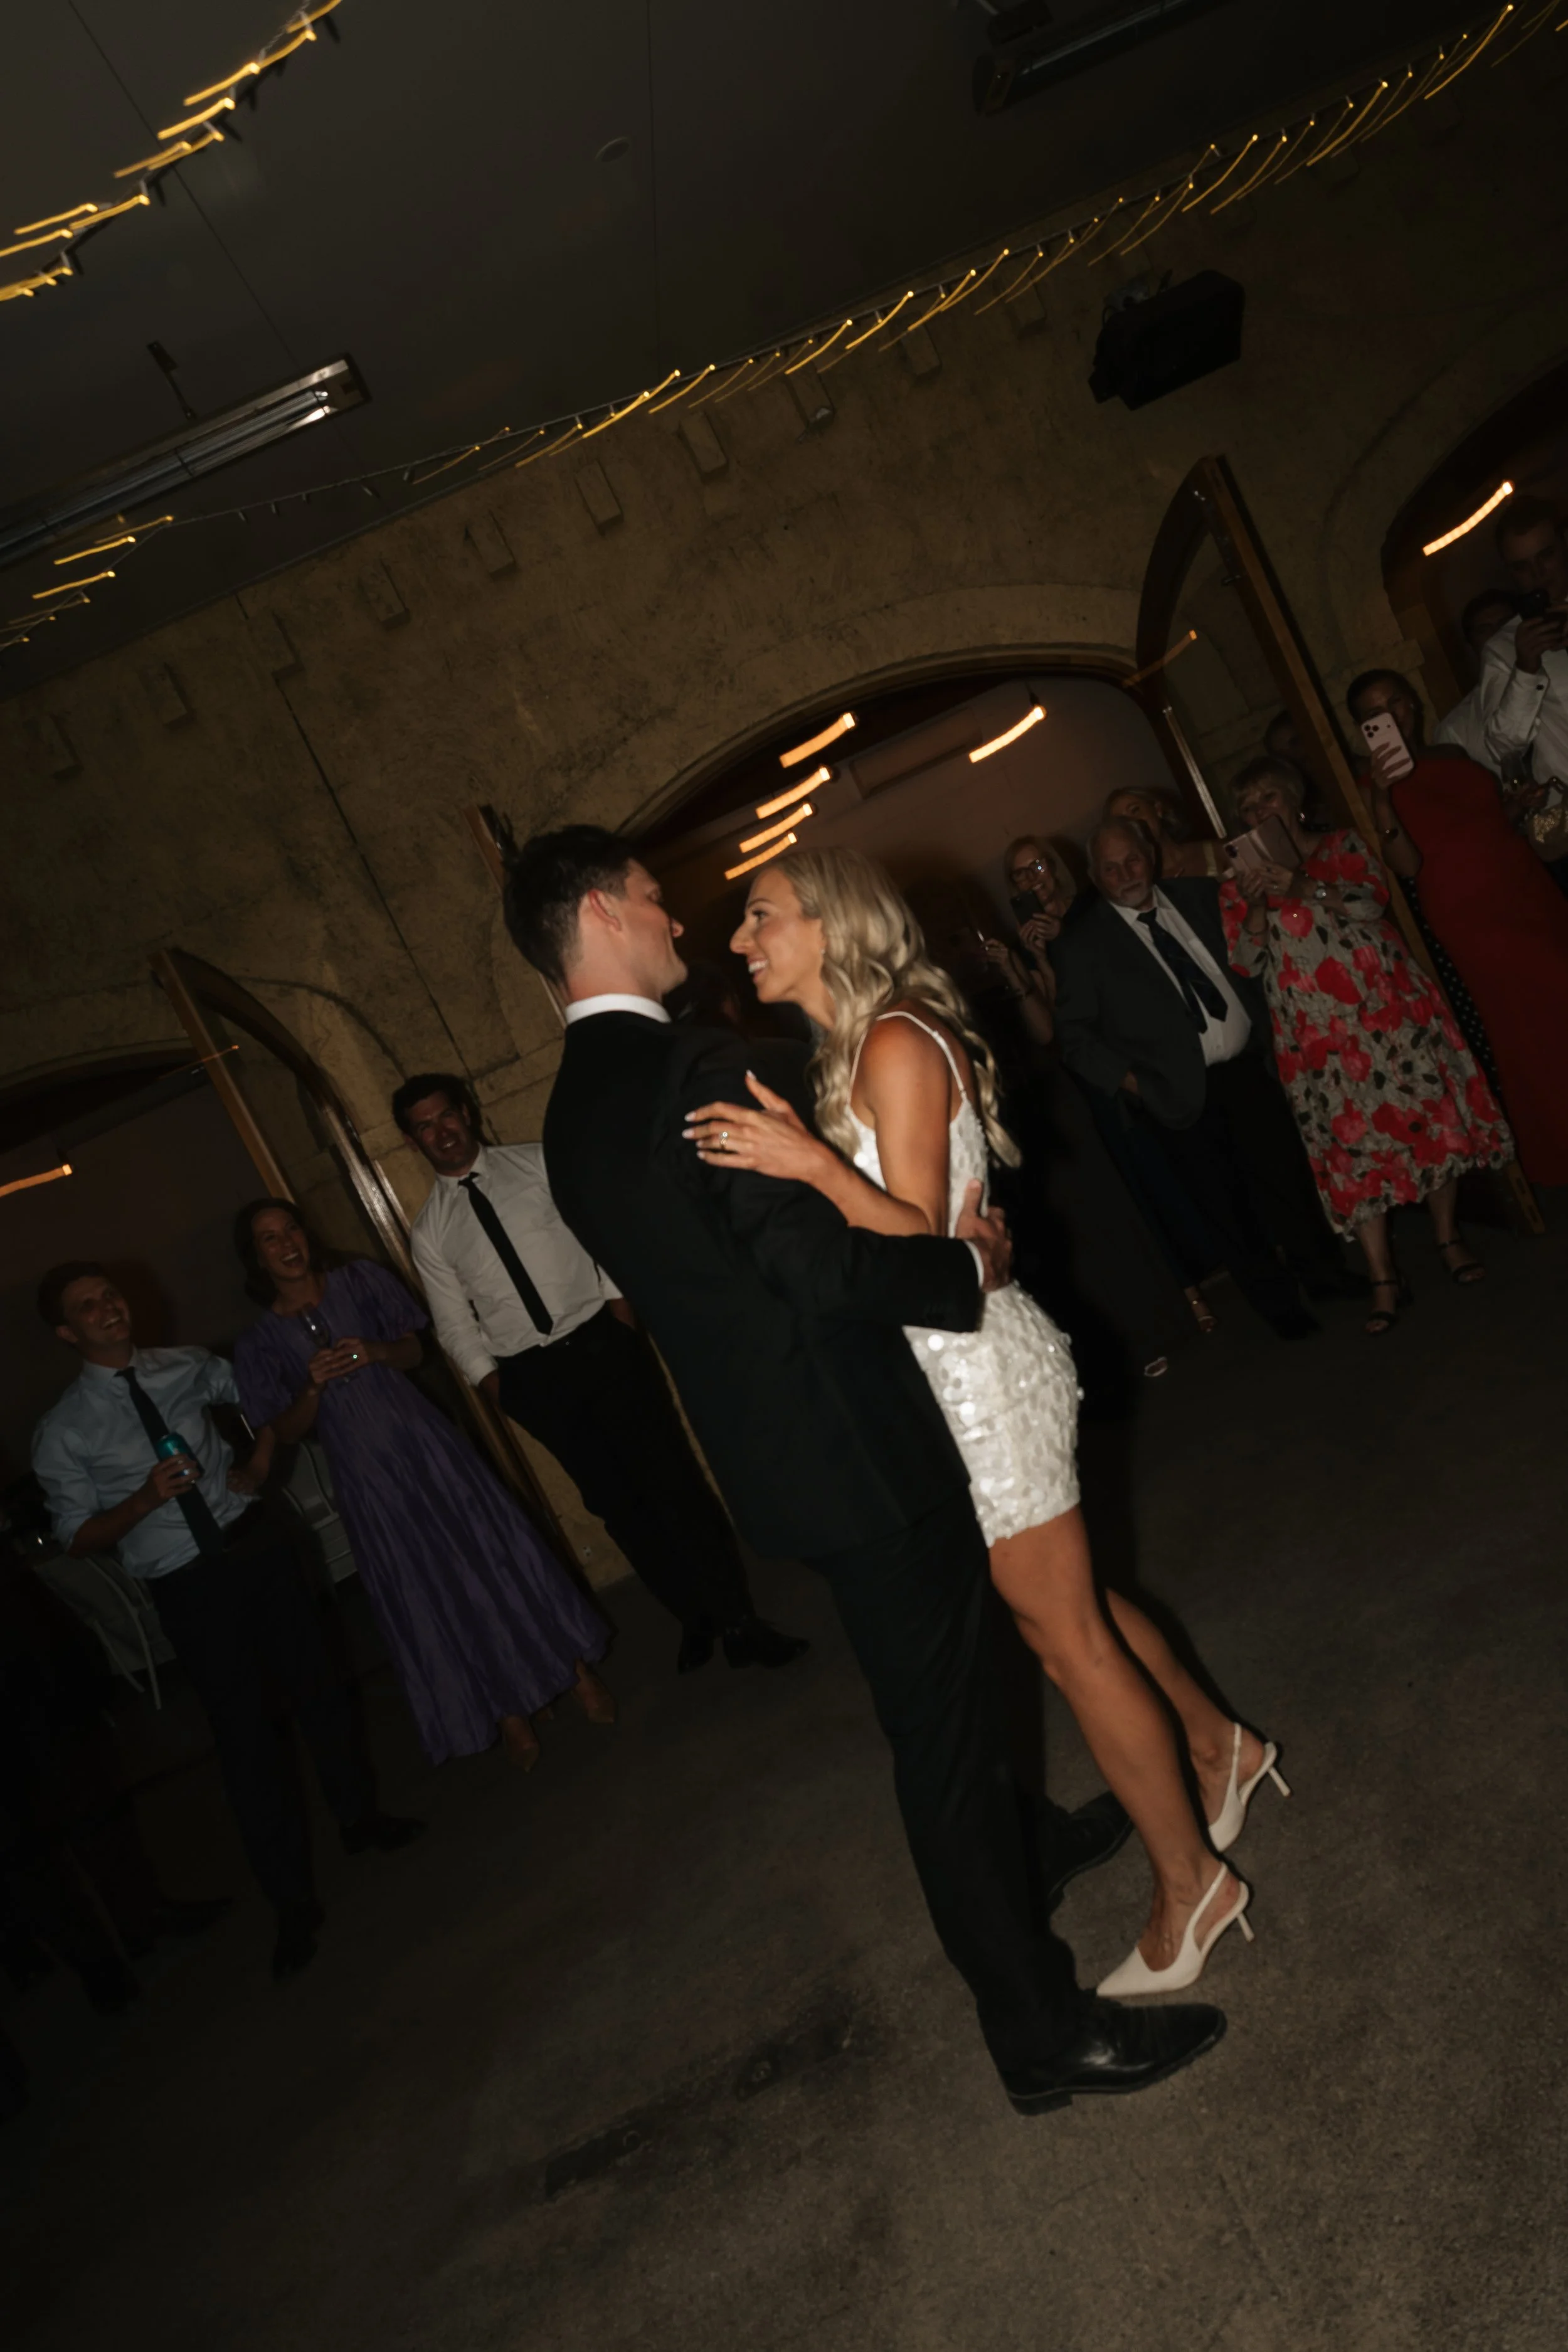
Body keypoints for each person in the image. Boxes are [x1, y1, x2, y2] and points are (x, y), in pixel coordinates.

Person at [504, 824, 1225, 2116]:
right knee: (944, 1741)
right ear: (607, 909)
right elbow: (814, 1269)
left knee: (1025, 1639)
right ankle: (1039, 2034)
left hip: (782, 1462)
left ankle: (1071, 1828)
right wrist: (970, 1267)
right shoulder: (694, 1068)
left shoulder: (565, 1116)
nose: (693, 927)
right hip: (866, 1448)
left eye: (746, 914)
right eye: (662, 902)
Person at [687, 843, 1281, 2000]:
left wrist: (809, 1164)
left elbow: (922, 1241)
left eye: (760, 916)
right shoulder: (852, 1045)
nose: (740, 942)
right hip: (945, 1374)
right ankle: (1223, 1744)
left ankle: (1191, 1885)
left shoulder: (901, 1038)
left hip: (979, 1378)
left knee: (1066, 1638)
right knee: (1069, 1603)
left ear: (831, 921)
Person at [29, 1265, 420, 1983]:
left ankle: (361, 1820)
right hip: (189, 1583)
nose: (108, 1308)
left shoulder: (186, 1366)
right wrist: (145, 1500)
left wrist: (262, 1456)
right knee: (245, 1743)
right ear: (67, 1331)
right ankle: (292, 1901)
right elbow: (78, 1536)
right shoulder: (62, 1430)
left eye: (110, 1295)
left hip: (254, 1543)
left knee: (320, 1689)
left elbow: (263, 1396)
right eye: (88, 1306)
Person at [397, 1074, 807, 1677]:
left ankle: (740, 1621)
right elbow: (454, 1323)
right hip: (533, 1379)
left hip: (601, 1344)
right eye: (425, 1127)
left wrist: (619, 1310)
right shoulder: (431, 1231)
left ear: (466, 1113)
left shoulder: (538, 1164)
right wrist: (496, 1385)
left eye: (446, 1116)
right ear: (414, 1142)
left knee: (672, 1482)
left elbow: (600, 1232)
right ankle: (694, 1618)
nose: (442, 1132)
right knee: (619, 1505)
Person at [233, 1202, 613, 1772]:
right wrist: (311, 1389)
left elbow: (415, 1350)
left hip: (428, 1448)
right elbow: (284, 1429)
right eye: (269, 1239)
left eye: (291, 1229)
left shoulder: (358, 1278)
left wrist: (376, 1351)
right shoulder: (259, 1343)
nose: (287, 1244)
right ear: (256, 1258)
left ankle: (574, 1673)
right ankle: (506, 1713)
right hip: (366, 1477)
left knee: (494, 1555)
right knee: (432, 1586)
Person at [1220, 757, 1512, 1332]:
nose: (1259, 813)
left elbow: (1372, 901)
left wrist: (1302, 885)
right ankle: (1383, 1276)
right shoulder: (1236, 886)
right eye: (1249, 807)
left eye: (1269, 799)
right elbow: (1246, 962)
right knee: (1352, 1153)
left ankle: (1449, 1240)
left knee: (1426, 1120)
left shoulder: (1341, 846)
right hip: (1317, 1038)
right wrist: (1257, 903)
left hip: (1385, 1012)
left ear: (1295, 801)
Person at [1052, 817, 1357, 1338]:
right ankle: (1279, 1307)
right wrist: (1135, 1085)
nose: (1126, 873)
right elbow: (1075, 1038)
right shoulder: (1084, 946)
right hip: (1174, 1095)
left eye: (1132, 859)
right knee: (1227, 1210)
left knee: (1287, 1180)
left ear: (1148, 853)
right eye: (1111, 867)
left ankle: (1326, 1276)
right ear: (1093, 875)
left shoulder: (1201, 895)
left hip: (1245, 1070)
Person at [1003, 832, 1227, 1342]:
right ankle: (1186, 1289)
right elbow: (1052, 1031)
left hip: (1147, 1051)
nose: (1031, 879)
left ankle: (1219, 1253)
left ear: (1056, 866)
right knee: (1136, 1176)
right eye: (1019, 874)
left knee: (1179, 1157)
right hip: (1097, 1072)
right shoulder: (1030, 934)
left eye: (1036, 866)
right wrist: (1036, 962)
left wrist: (1066, 938)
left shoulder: (1092, 907)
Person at [1347, 669, 1568, 1185]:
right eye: (1374, 714)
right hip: (1469, 909)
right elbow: (1405, 865)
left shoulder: (1449, 755)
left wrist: (1519, 805)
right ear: (1362, 728)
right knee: (1534, 1015)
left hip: (1522, 882)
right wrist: (1381, 797)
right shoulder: (1363, 782)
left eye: (1396, 703)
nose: (1391, 717)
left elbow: (1487, 819)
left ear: (1413, 706)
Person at [1471, 497, 1568, 786]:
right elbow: (1503, 749)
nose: (1538, 574)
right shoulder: (1503, 647)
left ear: (1564, 546)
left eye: (1546, 555)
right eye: (1522, 567)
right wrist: (1525, 670)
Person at [1434, 588, 1521, 771]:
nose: (1498, 635)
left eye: (1505, 624)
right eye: (1484, 630)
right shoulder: (1456, 728)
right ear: (1472, 643)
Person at [1103, 787, 1223, 879]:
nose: (1134, 823)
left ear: (1157, 810)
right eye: (1124, 822)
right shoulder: (1142, 884)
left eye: (1135, 810)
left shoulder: (1215, 850)